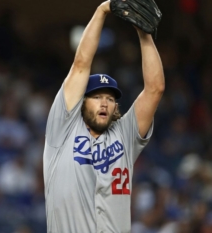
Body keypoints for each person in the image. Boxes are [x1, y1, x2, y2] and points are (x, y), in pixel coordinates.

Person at [42, 1, 165, 232]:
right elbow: (80, 65)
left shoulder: (124, 135)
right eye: (97, 97)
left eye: (110, 98)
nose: (104, 103)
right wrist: (103, 9)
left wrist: (145, 34)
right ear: (82, 102)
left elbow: (155, 89)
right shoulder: (63, 128)